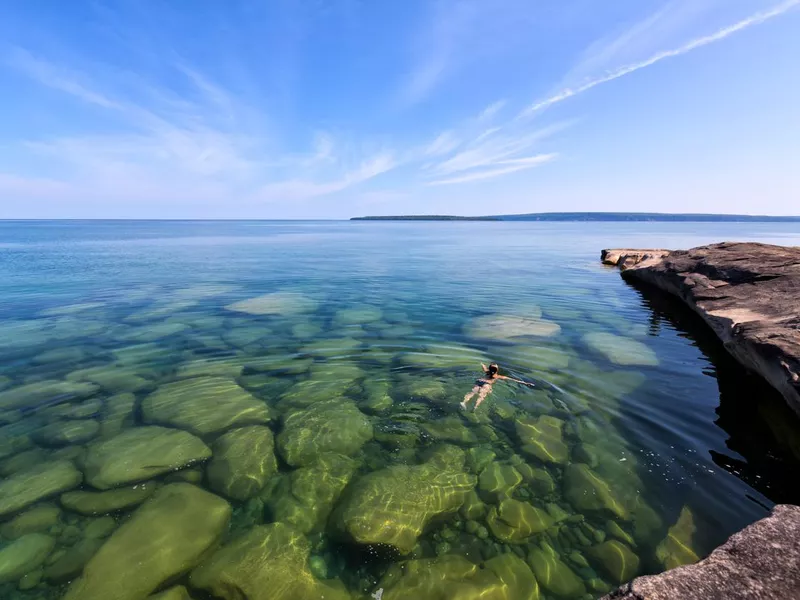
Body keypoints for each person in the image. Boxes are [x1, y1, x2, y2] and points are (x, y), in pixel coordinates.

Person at [460, 362, 534, 410]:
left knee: (472, 392)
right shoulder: (498, 376)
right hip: (487, 384)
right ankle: (475, 407)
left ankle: (463, 402)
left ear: (490, 369)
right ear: (497, 370)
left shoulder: (487, 372)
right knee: (481, 395)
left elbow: (484, 367)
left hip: (480, 381)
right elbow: (513, 380)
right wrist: (525, 383)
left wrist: (482, 364)